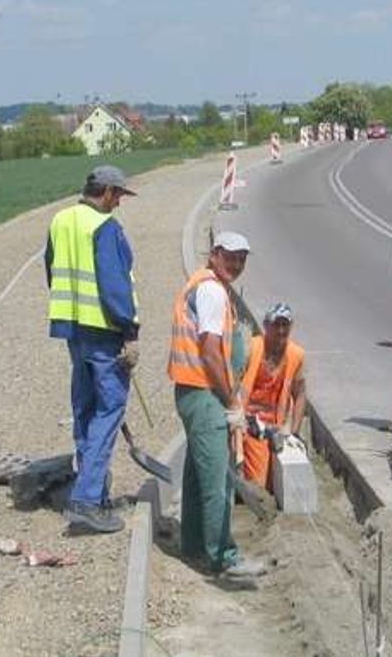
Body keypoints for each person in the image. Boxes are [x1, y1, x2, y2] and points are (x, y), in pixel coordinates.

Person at [46, 165, 140, 534]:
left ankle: (93, 489)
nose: (119, 203)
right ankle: (86, 500)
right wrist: (129, 330)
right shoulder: (105, 227)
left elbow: (51, 270)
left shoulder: (60, 220)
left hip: (73, 328)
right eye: (118, 196)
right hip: (104, 331)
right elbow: (115, 285)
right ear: (107, 191)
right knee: (109, 409)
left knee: (85, 410)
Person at [168, 231, 265, 578]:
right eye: (230, 257)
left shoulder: (206, 285)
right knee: (216, 481)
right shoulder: (211, 291)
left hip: (193, 391)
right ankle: (223, 556)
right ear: (214, 254)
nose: (236, 264)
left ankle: (194, 545)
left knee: (197, 474)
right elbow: (210, 350)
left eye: (241, 259)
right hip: (205, 393)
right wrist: (231, 401)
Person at [237, 303, 307, 491]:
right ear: (266, 325)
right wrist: (239, 420)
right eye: (276, 325)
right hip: (246, 422)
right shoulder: (252, 348)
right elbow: (233, 383)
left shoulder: (296, 355)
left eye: (285, 325)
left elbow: (300, 393)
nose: (281, 330)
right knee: (257, 482)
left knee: (272, 482)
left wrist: (294, 433)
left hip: (275, 427)